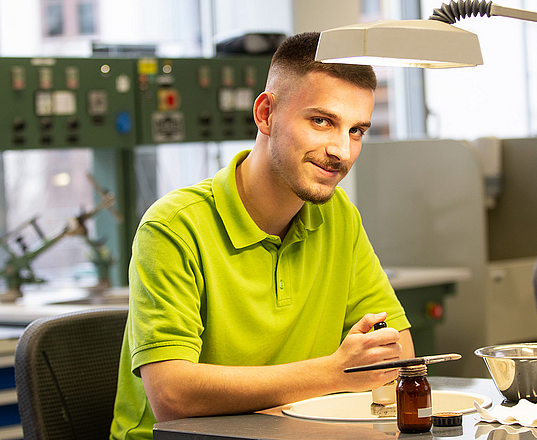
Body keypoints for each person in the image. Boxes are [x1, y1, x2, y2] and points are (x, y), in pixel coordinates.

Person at [110, 31, 414, 440]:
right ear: (266, 114)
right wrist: (332, 373)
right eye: (322, 121)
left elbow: (397, 355)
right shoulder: (174, 226)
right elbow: (172, 394)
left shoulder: (337, 216)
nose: (342, 150)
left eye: (356, 130)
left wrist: (353, 368)